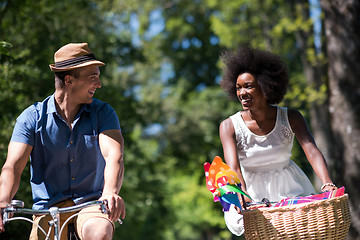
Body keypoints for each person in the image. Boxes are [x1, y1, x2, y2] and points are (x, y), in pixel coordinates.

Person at [0, 43, 125, 240]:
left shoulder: (103, 113)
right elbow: (13, 166)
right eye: (93, 77)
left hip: (91, 204)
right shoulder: (32, 118)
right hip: (48, 210)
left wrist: (110, 192)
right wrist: (3, 200)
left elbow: (114, 156)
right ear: (69, 80)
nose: (99, 84)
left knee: (99, 233)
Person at [218, 45, 337, 236]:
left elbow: (311, 150)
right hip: (252, 191)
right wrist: (242, 195)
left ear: (266, 86)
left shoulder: (292, 117)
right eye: (238, 88)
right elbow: (234, 168)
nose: (242, 93)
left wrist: (327, 182)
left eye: (249, 86)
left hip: (290, 187)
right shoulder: (228, 126)